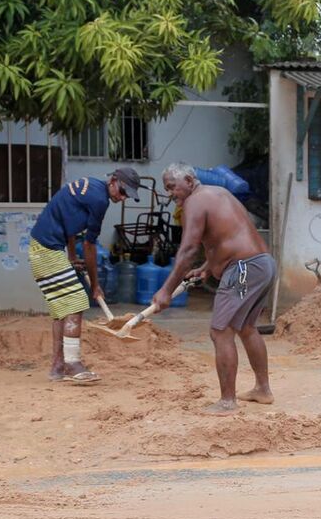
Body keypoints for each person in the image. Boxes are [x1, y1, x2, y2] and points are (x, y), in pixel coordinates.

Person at [152, 162, 276, 413]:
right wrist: (209, 266)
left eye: (172, 187)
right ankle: (262, 389)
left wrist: (166, 289)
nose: (170, 194)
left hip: (243, 269)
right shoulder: (219, 193)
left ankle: (227, 401)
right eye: (167, 189)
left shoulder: (194, 202)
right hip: (262, 264)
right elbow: (230, 234)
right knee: (246, 327)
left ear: (188, 180)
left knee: (220, 332)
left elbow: (187, 251)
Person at [28, 167, 142, 382]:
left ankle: (57, 366)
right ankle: (72, 364)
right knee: (77, 302)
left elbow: (70, 227)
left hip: (41, 248)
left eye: (128, 195)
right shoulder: (100, 201)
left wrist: (71, 256)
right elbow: (90, 245)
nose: (123, 197)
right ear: (114, 180)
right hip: (47, 250)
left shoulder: (90, 186)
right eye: (123, 191)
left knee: (61, 310)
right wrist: (95, 285)